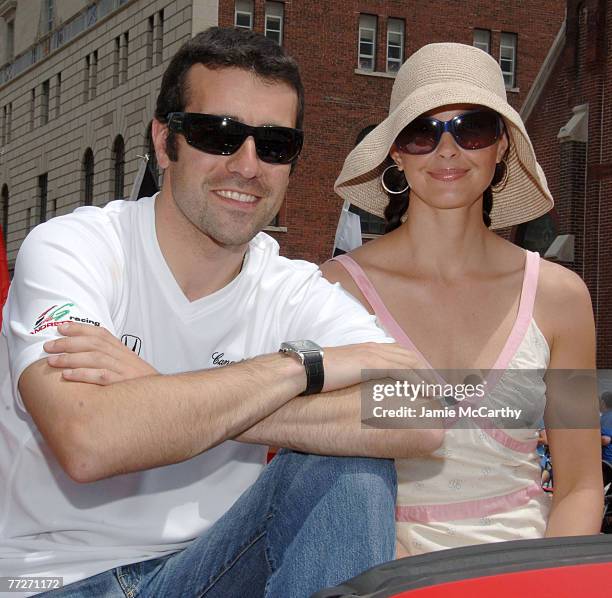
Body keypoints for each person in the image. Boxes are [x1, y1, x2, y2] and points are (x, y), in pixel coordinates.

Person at [0, 28, 442, 597]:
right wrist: (298, 370)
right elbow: (87, 439)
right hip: (57, 579)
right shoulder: (75, 248)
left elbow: (423, 415)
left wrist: (164, 391)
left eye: (276, 144)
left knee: (349, 469)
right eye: (220, 134)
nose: (248, 165)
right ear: (165, 142)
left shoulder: (289, 285)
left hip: (212, 570)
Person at [323, 42, 603, 556]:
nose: (447, 151)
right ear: (396, 152)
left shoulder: (560, 298)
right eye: (422, 132)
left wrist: (544, 588)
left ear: (501, 148)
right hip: (378, 573)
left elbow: (582, 486)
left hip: (526, 574)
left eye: (471, 129)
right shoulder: (335, 292)